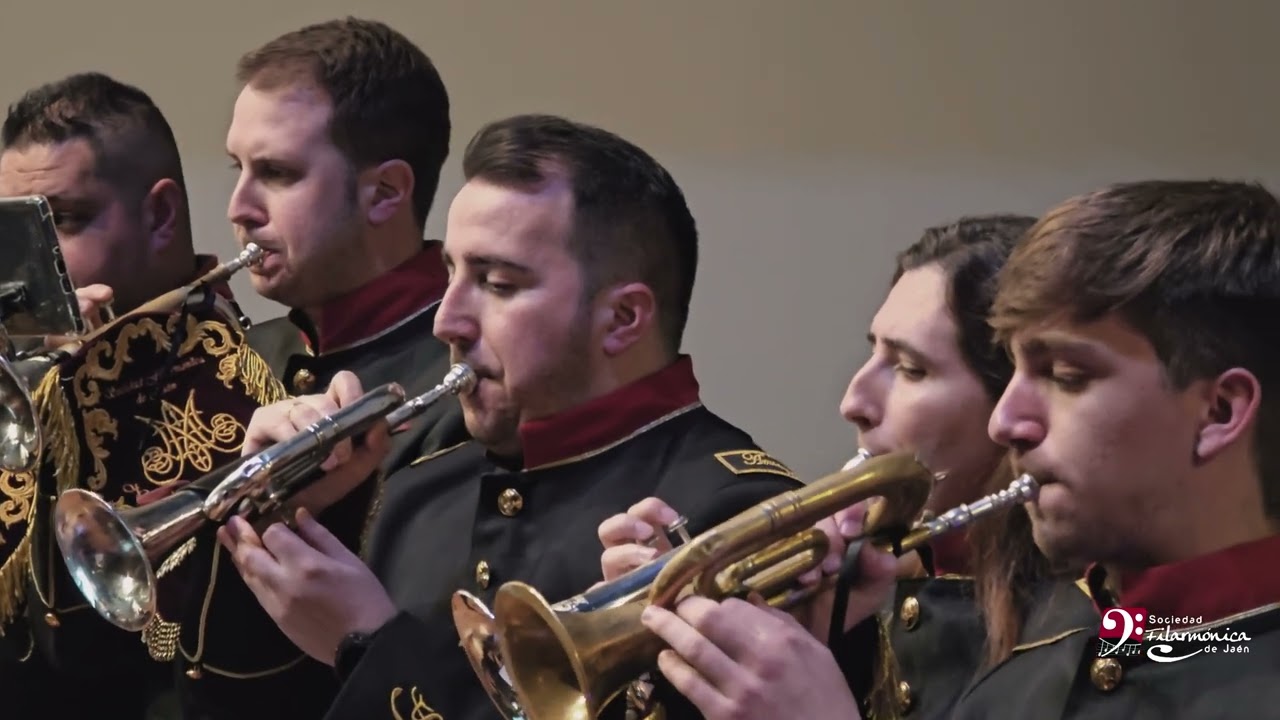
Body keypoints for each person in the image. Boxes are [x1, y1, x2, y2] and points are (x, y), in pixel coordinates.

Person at [216, 113, 806, 720]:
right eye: (451, 275)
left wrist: (368, 645)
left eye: (497, 284)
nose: (446, 321)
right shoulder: (417, 485)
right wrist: (286, 518)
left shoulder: (737, 516)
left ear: (622, 319)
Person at [598, 215, 1058, 720]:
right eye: (873, 352)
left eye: (910, 369)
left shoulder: (1113, 625)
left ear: (1014, 403)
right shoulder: (879, 594)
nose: (853, 402)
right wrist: (679, 633)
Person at [173, 17, 470, 720]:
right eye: (238, 169)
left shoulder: (469, 383)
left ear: (385, 192)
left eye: (277, 174)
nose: (239, 209)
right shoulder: (235, 356)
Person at [947, 179, 1280, 719]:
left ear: (1219, 412)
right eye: (1013, 369)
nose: (1003, 423)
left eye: (1065, 375)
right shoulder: (1045, 641)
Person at [0, 71, 255, 720]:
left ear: (160, 216)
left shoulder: (249, 375)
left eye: (64, 220)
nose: (25, 273)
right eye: (15, 233)